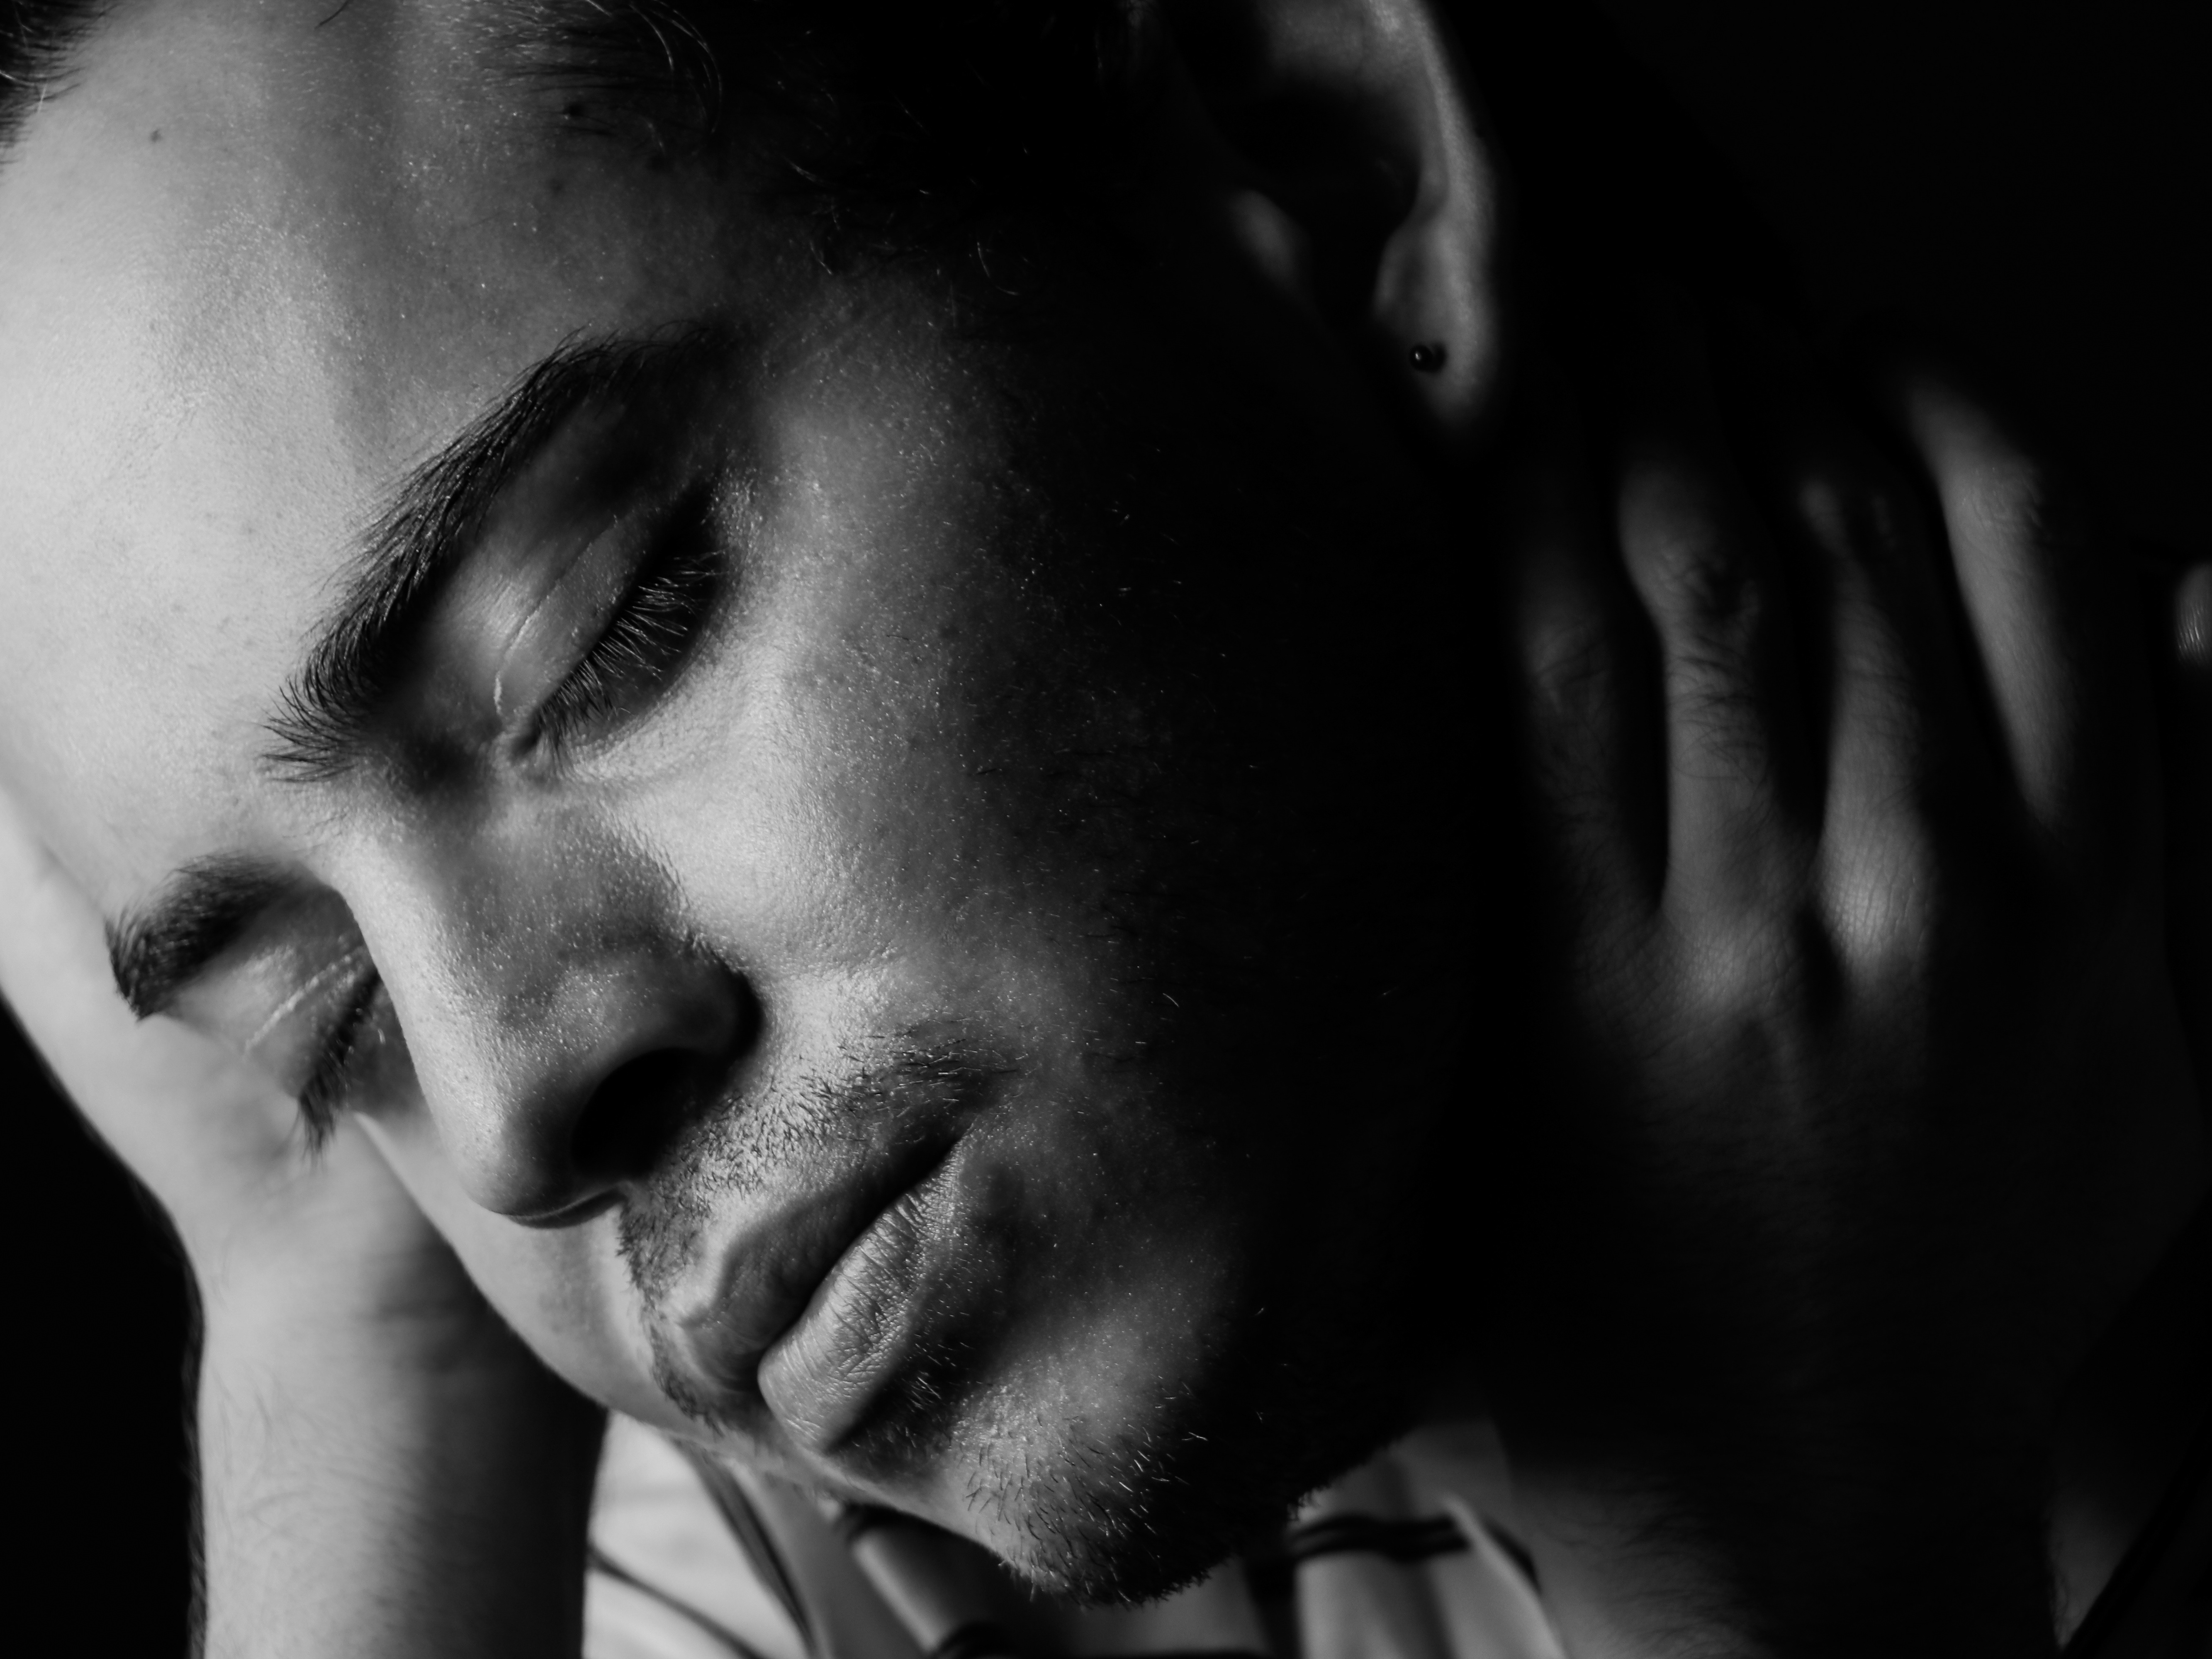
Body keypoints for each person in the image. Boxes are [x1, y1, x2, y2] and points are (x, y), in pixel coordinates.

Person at [0, 0, 2205, 1653]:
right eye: (341, 1017)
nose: (506, 1118)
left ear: (1328, 157)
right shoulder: (792, 1566)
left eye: (603, 633)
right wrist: (344, 1341)